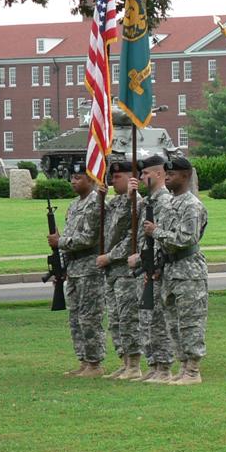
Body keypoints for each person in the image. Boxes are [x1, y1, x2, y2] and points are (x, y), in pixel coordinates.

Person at [143, 156, 208, 385]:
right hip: (170, 269)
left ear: (186, 176)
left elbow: (186, 238)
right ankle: (182, 367)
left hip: (188, 271)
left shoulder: (192, 205)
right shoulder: (170, 203)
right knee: (173, 322)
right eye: (166, 173)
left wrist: (156, 231)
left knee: (190, 322)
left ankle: (193, 370)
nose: (168, 176)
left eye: (173, 173)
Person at [48, 164, 105, 377]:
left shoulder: (95, 204)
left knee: (90, 317)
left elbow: (89, 238)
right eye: (72, 177)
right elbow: (70, 237)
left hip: (90, 268)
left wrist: (60, 241)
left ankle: (95, 363)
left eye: (79, 177)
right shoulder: (73, 206)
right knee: (75, 318)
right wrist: (60, 267)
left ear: (91, 180)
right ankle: (83, 360)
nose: (73, 181)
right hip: (73, 268)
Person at [127, 156, 178, 383]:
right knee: (148, 319)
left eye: (146, 174)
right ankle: (154, 364)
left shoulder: (165, 202)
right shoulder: (149, 201)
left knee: (158, 319)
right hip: (145, 267)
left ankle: (164, 366)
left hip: (156, 269)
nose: (141, 178)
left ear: (158, 174)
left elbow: (164, 236)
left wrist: (153, 263)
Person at [97, 161, 144, 379]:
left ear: (129, 178)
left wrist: (110, 256)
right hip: (111, 272)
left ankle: (134, 364)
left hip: (125, 270)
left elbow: (131, 239)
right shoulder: (114, 203)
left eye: (117, 177)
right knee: (115, 319)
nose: (112, 181)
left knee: (128, 318)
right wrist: (100, 198)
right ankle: (124, 361)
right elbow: (105, 230)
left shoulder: (137, 203)